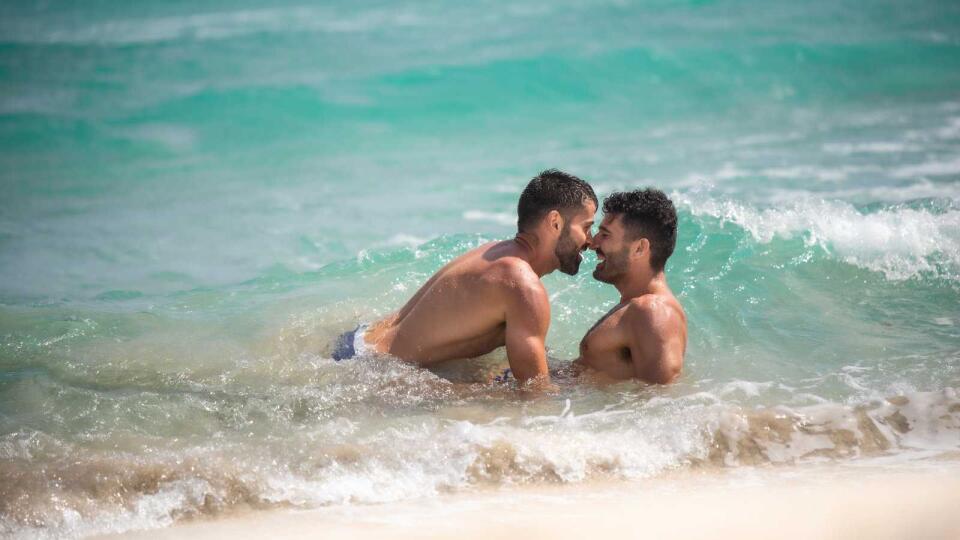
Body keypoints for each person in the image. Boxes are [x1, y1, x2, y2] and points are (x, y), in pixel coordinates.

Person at [333, 169, 597, 386]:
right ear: (555, 222)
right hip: (370, 373)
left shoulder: (496, 254)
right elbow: (535, 393)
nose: (591, 240)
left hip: (356, 344)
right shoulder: (523, 286)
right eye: (586, 227)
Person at [574, 189, 687, 384]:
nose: (593, 243)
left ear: (640, 248)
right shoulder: (639, 307)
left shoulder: (652, 311)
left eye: (605, 235)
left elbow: (661, 401)